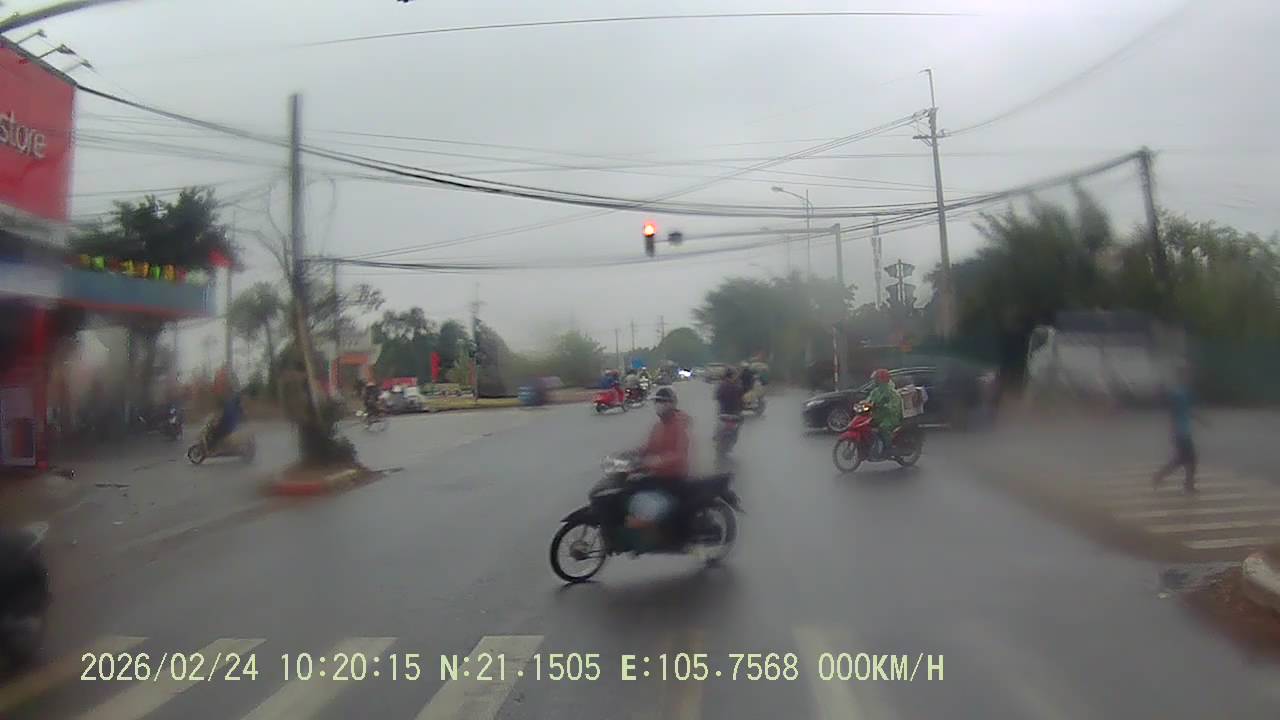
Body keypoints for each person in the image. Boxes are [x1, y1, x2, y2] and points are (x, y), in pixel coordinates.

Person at [625, 387, 693, 538]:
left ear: (672, 404)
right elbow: (649, 447)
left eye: (663, 402)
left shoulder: (680, 425)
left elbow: (680, 454)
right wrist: (633, 454)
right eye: (657, 401)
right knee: (631, 485)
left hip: (675, 476)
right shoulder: (658, 426)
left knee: (650, 503)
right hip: (658, 473)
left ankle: (656, 533)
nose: (659, 405)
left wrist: (657, 461)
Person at [1153, 364, 1202, 493]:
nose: (1190, 376)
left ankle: (1185, 484)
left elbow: (1188, 411)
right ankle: (1163, 477)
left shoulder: (1185, 392)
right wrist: (1174, 431)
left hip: (1183, 432)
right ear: (1182, 376)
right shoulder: (1178, 393)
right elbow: (1174, 412)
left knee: (1186, 459)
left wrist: (1200, 420)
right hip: (1181, 433)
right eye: (1187, 374)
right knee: (1185, 459)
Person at [866, 368, 903, 457]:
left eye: (876, 379)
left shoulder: (892, 392)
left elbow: (895, 406)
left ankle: (888, 447)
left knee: (883, 427)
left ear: (882, 380)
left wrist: (886, 406)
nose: (875, 381)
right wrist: (863, 404)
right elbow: (869, 400)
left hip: (891, 417)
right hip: (878, 416)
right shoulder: (876, 391)